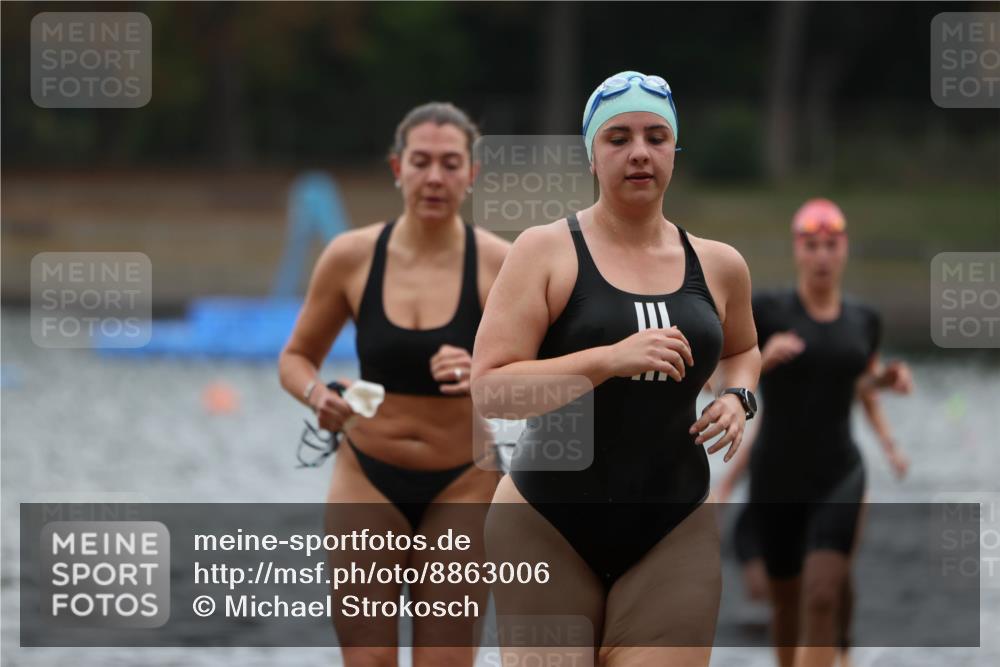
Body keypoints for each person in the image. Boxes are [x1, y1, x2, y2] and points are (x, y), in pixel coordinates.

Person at [471, 71, 761, 667]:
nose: (639, 153)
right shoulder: (544, 251)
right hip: (545, 523)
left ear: (674, 152)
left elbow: (742, 351)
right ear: (592, 154)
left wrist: (738, 398)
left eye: (657, 137)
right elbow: (492, 390)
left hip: (673, 526)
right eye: (618, 137)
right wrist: (607, 360)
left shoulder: (721, 265)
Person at [278, 102, 510, 667]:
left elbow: (552, 379)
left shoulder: (501, 263)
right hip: (367, 479)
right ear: (396, 168)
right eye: (422, 161)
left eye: (451, 164)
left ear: (472, 174)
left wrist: (483, 371)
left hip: (465, 484)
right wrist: (319, 397)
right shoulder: (351, 257)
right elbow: (296, 358)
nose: (435, 177)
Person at [731, 198, 912, 667]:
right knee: (787, 604)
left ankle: (841, 653)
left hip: (839, 472)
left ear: (845, 249)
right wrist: (762, 359)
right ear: (798, 250)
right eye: (812, 246)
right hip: (777, 477)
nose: (823, 257)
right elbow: (722, 373)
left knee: (823, 593)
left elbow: (858, 383)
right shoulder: (767, 311)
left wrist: (885, 386)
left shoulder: (863, 320)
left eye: (831, 246)